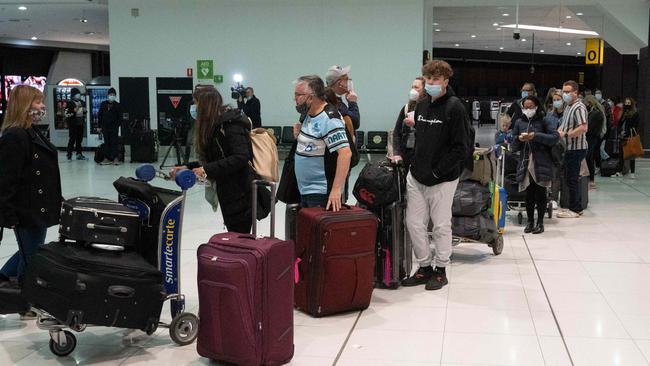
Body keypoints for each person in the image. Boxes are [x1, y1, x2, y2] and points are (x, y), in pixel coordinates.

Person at [401, 60, 469, 291]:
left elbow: (461, 148)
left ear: (445, 81)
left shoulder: (455, 107)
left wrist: (438, 171)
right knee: (413, 223)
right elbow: (417, 139)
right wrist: (411, 163)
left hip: (443, 178)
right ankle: (424, 267)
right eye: (428, 79)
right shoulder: (421, 105)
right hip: (417, 176)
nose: (431, 83)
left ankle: (441, 270)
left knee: (440, 225)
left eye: (436, 80)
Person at [0, 86, 62, 293]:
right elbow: (7, 179)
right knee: (33, 255)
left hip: (38, 207)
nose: (42, 106)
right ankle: (25, 298)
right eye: (37, 102)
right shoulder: (15, 136)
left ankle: (4, 279)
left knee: (30, 250)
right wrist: (7, 213)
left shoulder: (32, 132)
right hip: (26, 209)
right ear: (24, 106)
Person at [170, 87, 253, 233]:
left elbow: (240, 157)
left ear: (205, 106)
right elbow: (214, 159)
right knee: (233, 233)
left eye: (196, 104)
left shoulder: (230, 124)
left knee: (240, 236)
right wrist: (188, 167)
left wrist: (205, 170)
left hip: (240, 191)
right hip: (227, 189)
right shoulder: (214, 126)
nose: (193, 109)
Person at [292, 75, 352, 211]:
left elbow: (345, 153)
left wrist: (336, 190)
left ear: (311, 97)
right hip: (304, 189)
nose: (295, 98)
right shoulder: (309, 113)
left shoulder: (329, 119)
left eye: (298, 94)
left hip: (321, 192)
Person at [511, 96, 559, 234]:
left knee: (541, 192)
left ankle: (540, 222)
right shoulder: (519, 122)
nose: (528, 109)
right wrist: (519, 139)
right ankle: (530, 221)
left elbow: (554, 138)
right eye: (525, 107)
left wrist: (535, 136)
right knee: (529, 193)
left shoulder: (545, 120)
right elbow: (513, 145)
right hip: (525, 161)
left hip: (541, 161)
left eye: (531, 106)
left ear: (537, 106)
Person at [556, 80, 588, 218]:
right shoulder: (568, 106)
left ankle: (576, 208)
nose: (565, 94)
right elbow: (563, 126)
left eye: (568, 92)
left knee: (572, 178)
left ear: (576, 92)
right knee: (568, 177)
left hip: (576, 148)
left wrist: (567, 134)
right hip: (568, 147)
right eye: (564, 91)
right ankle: (571, 205)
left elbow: (583, 127)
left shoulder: (579, 107)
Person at [391, 77, 424, 169]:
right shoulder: (406, 108)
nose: (413, 90)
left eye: (416, 87)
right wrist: (397, 153)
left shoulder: (429, 109)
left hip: (422, 155)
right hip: (406, 153)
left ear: (425, 90)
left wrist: (416, 124)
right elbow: (396, 132)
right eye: (412, 87)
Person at [325, 65, 359, 131]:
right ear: (339, 83)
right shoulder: (334, 103)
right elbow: (355, 123)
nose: (349, 81)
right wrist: (353, 102)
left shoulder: (329, 98)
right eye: (346, 79)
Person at [583, 95, 605, 189]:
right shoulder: (596, 112)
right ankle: (590, 180)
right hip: (593, 137)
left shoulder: (595, 113)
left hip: (591, 138)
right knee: (589, 158)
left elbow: (589, 127)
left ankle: (590, 180)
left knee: (589, 158)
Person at [97, 87, 123, 165]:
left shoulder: (118, 105)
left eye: (113, 95)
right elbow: (100, 116)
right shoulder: (103, 104)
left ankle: (115, 158)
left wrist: (117, 125)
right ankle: (106, 158)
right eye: (110, 94)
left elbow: (120, 117)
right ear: (108, 95)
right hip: (105, 127)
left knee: (114, 142)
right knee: (106, 142)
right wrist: (99, 126)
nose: (112, 96)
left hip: (114, 127)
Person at [620, 97, 640, 178]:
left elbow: (635, 125)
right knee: (621, 154)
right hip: (622, 135)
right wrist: (620, 131)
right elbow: (620, 123)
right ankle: (620, 171)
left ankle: (632, 172)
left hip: (631, 136)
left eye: (629, 103)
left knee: (632, 155)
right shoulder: (624, 112)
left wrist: (627, 132)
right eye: (626, 103)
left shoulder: (635, 113)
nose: (627, 104)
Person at [65, 88, 87, 160]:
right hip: (73, 124)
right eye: (76, 94)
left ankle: (79, 154)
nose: (78, 95)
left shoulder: (81, 102)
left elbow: (82, 112)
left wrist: (85, 111)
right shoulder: (69, 103)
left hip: (80, 124)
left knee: (79, 140)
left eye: (78, 94)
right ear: (73, 95)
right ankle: (69, 153)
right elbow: (66, 114)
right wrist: (74, 111)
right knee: (72, 139)